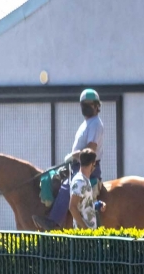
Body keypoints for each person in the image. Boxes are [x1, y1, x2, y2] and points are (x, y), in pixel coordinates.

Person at [34, 88, 104, 230]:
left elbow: (90, 149)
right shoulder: (86, 123)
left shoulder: (96, 123)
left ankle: (54, 223)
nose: (85, 107)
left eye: (89, 104)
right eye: (83, 104)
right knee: (50, 177)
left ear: (97, 106)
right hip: (77, 164)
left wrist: (73, 156)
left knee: (68, 185)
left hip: (87, 166)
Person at [69, 149, 106, 229]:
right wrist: (84, 228)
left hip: (88, 233)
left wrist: (98, 204)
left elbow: (84, 204)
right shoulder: (79, 181)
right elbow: (72, 207)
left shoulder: (85, 180)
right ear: (93, 164)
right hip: (83, 235)